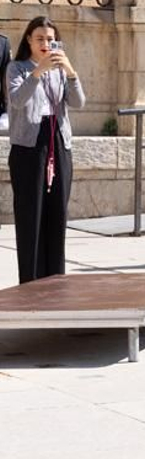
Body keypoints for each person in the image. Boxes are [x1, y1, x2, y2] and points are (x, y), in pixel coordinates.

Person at [7, 17, 86, 283]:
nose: (45, 44)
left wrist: (71, 72)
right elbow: (17, 101)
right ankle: (30, 283)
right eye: (40, 38)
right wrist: (37, 71)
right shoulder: (16, 68)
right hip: (29, 146)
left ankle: (55, 282)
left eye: (50, 39)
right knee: (31, 214)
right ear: (28, 39)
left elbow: (78, 102)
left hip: (58, 141)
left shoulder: (59, 71)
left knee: (57, 214)